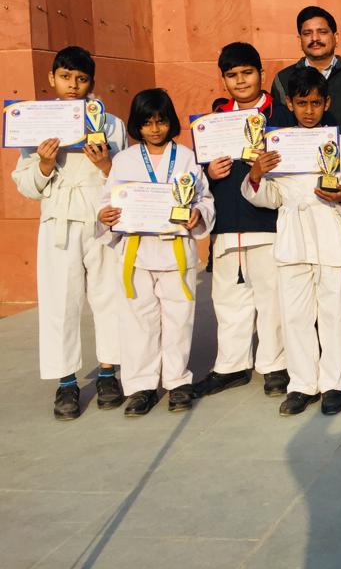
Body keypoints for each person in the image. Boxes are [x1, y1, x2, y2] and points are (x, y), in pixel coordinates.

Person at [11, 46, 128, 420]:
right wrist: (45, 164)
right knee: (59, 302)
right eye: (65, 77)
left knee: (108, 295)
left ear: (91, 81)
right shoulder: (36, 122)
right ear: (52, 78)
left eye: (81, 79)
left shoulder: (110, 123)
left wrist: (107, 164)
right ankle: (65, 381)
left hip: (102, 216)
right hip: (58, 219)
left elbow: (127, 177)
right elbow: (26, 185)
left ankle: (108, 372)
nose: (73, 85)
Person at [242, 68, 341, 416]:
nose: (309, 111)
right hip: (292, 234)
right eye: (301, 103)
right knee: (295, 315)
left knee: (334, 314)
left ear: (327, 103)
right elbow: (271, 197)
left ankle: (334, 383)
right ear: (290, 104)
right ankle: (302, 384)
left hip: (328, 231)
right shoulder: (277, 145)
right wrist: (256, 174)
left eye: (315, 103)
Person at [98, 89, 215, 416]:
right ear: (137, 125)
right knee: (139, 322)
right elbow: (107, 199)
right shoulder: (124, 160)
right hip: (137, 251)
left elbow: (204, 199)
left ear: (170, 122)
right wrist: (105, 215)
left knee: (179, 320)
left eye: (160, 121)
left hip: (176, 250)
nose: (154, 129)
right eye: (147, 123)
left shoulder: (187, 157)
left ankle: (177, 381)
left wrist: (198, 214)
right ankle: (141, 386)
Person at [194, 43, 289, 401]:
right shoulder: (211, 123)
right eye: (232, 75)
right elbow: (193, 179)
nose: (241, 81)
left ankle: (274, 365)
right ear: (223, 80)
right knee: (228, 299)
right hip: (226, 223)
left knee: (271, 298)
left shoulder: (282, 116)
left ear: (261, 73)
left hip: (267, 222)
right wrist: (209, 172)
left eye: (247, 72)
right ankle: (231, 366)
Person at [271, 6, 341, 145]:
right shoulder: (283, 79)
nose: (315, 38)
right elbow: (277, 132)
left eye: (322, 32)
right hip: (299, 157)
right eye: (307, 33)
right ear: (300, 40)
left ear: (336, 37)